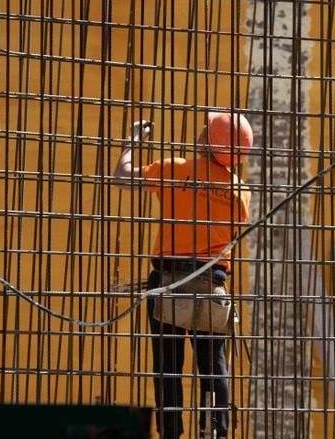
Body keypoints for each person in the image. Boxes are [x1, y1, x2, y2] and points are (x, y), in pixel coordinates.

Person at [113, 112, 253, 438]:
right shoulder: (240, 193)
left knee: (168, 367)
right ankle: (216, 432)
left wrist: (132, 142)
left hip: (169, 282)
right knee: (213, 366)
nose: (200, 131)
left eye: (206, 128)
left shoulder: (176, 169)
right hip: (213, 285)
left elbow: (122, 177)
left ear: (208, 140)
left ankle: (171, 434)